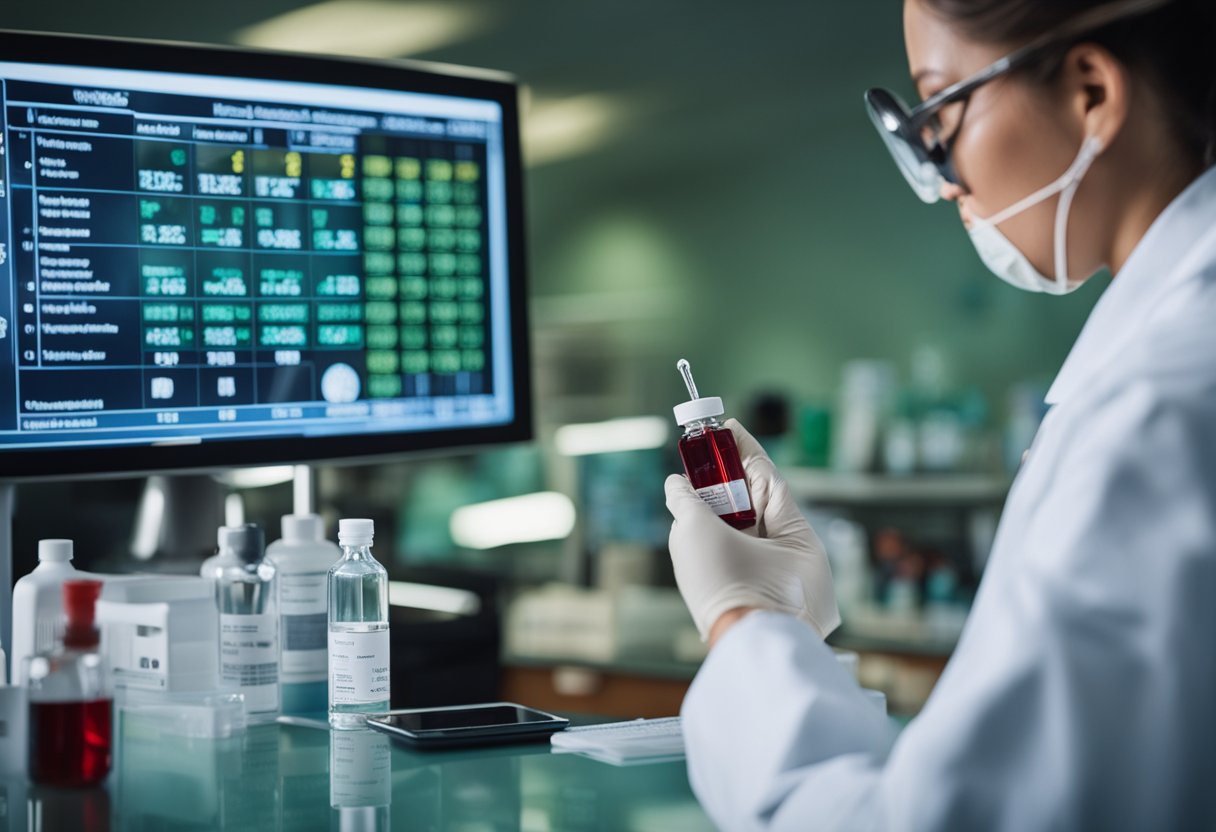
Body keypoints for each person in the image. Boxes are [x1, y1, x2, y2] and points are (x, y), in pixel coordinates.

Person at [663, 0, 1216, 828]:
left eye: (939, 110)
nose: (940, 177)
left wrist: (746, 623)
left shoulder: (1160, 414)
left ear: (1091, 91)